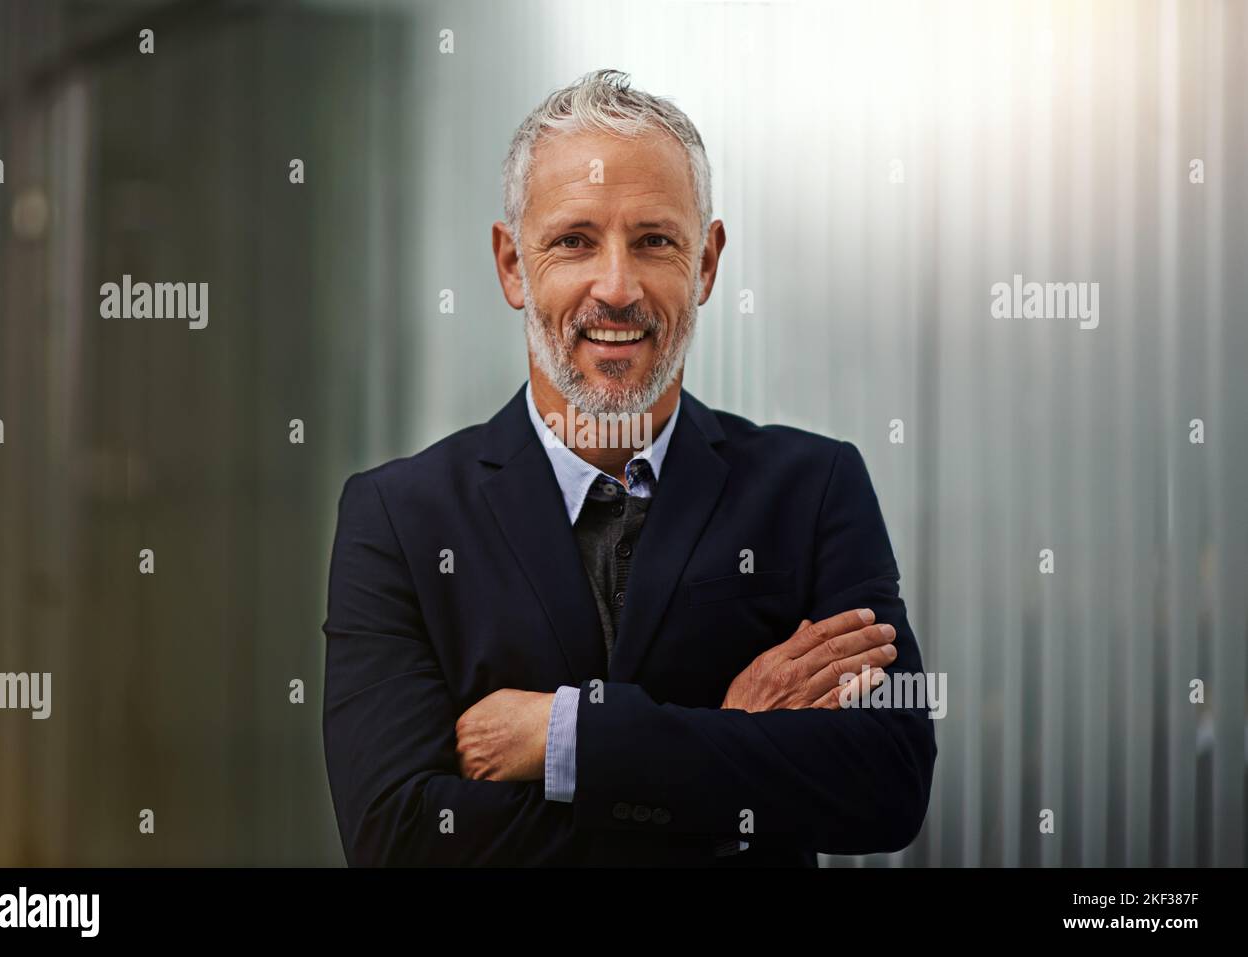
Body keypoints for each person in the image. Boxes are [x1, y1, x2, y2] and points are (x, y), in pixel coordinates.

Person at [322, 69, 936, 866]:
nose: (616, 288)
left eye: (654, 241)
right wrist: (735, 741)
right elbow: (399, 837)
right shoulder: (399, 520)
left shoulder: (813, 489)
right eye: (575, 240)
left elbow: (887, 785)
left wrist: (569, 738)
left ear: (707, 263)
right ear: (513, 264)